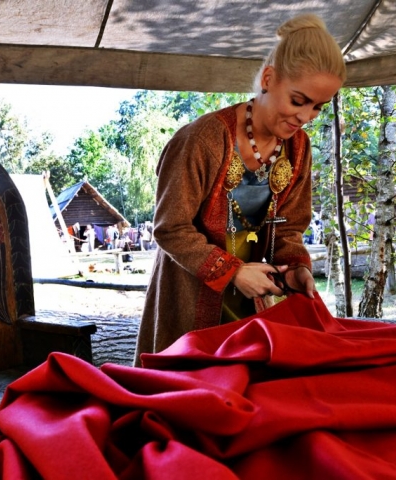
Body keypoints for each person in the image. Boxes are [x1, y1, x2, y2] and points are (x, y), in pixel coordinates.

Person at [134, 14, 346, 366]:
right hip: (189, 296)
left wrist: (295, 267)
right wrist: (232, 272)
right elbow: (170, 228)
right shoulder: (201, 140)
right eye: (298, 101)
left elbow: (289, 227)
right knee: (187, 387)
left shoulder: (299, 148)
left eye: (318, 107)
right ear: (268, 79)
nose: (306, 116)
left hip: (251, 302)